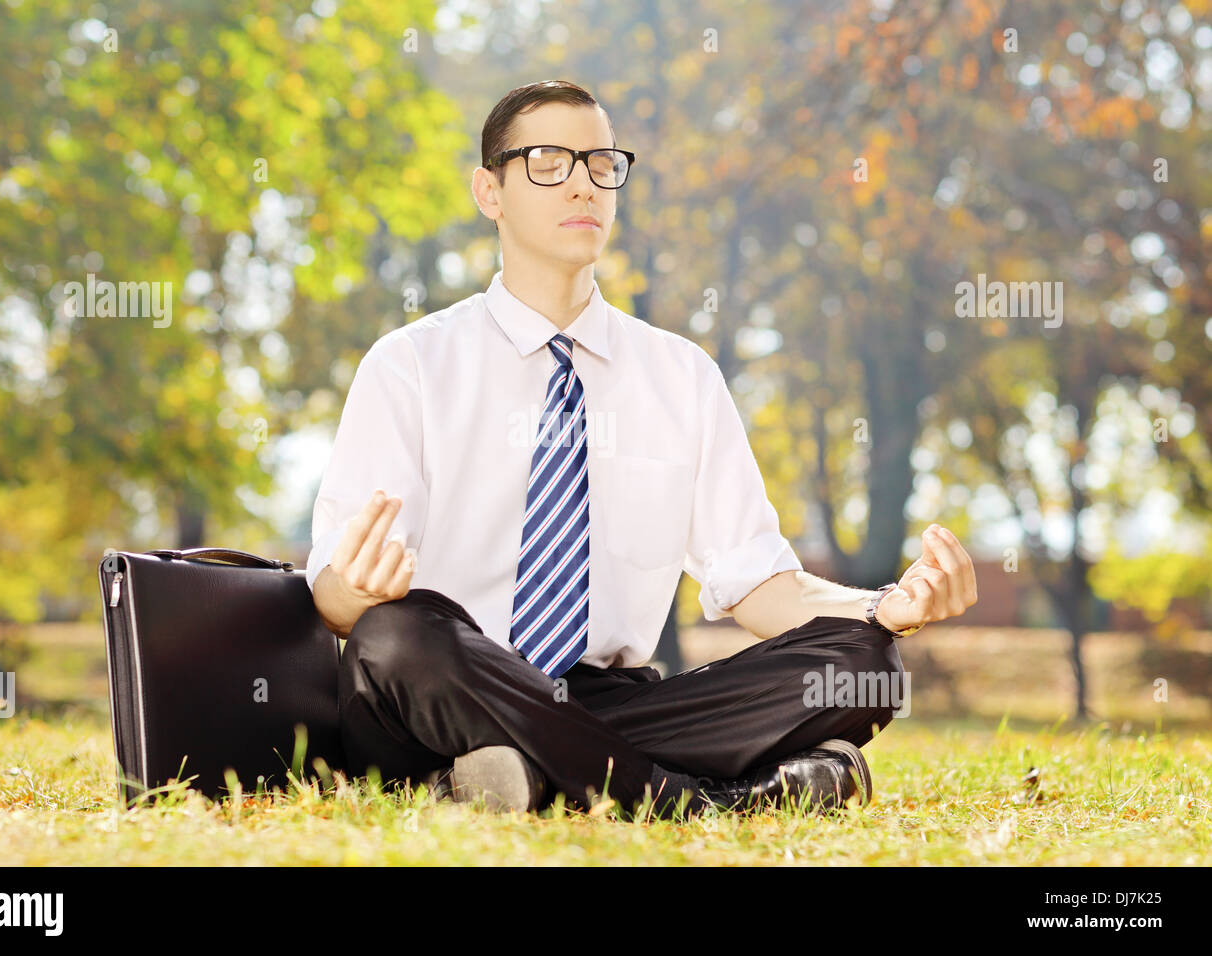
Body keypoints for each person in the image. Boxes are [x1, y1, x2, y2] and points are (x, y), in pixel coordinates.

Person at [307, 79, 978, 820]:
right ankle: (699, 803)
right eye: (548, 162)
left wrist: (887, 605)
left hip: (605, 694)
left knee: (865, 665)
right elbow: (335, 602)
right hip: (440, 685)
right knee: (397, 634)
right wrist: (355, 593)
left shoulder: (680, 375)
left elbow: (758, 584)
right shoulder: (411, 364)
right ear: (488, 191)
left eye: (600, 163)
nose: (583, 184)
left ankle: (508, 779)